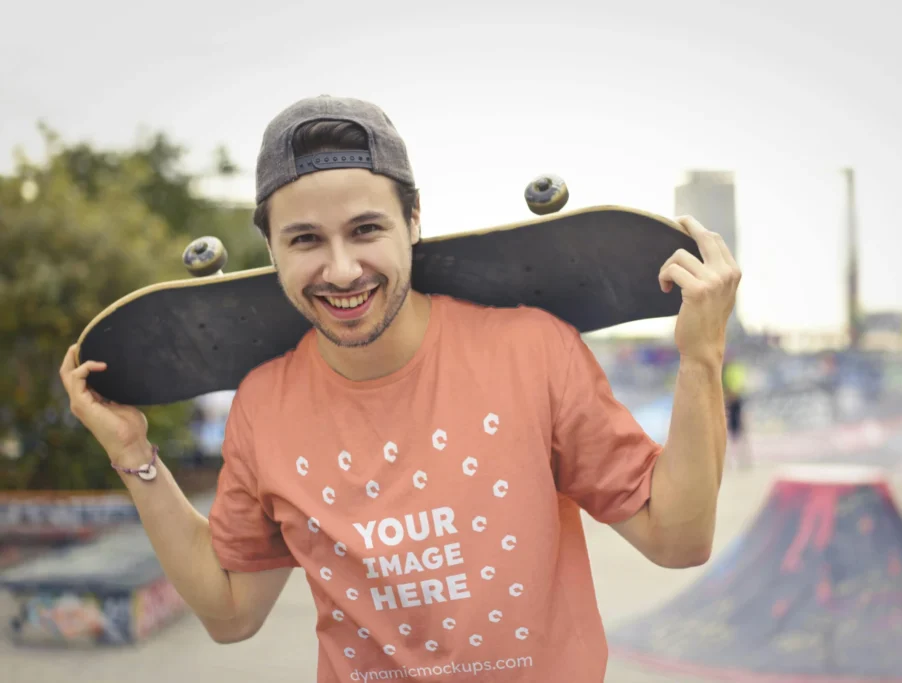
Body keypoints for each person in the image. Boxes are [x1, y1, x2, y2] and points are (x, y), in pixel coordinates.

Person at [59, 95, 741, 682]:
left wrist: (700, 357)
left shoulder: (531, 350)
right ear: (271, 249)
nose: (342, 268)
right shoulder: (264, 405)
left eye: (366, 229)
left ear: (413, 220)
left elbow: (677, 539)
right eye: (305, 240)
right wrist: (135, 457)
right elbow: (232, 612)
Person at [722, 354, 752, 469]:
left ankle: (742, 460)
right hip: (728, 401)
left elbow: (738, 385)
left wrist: (732, 393)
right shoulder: (726, 369)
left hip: (733, 402)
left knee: (738, 432)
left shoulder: (732, 369)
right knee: (732, 432)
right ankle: (736, 460)